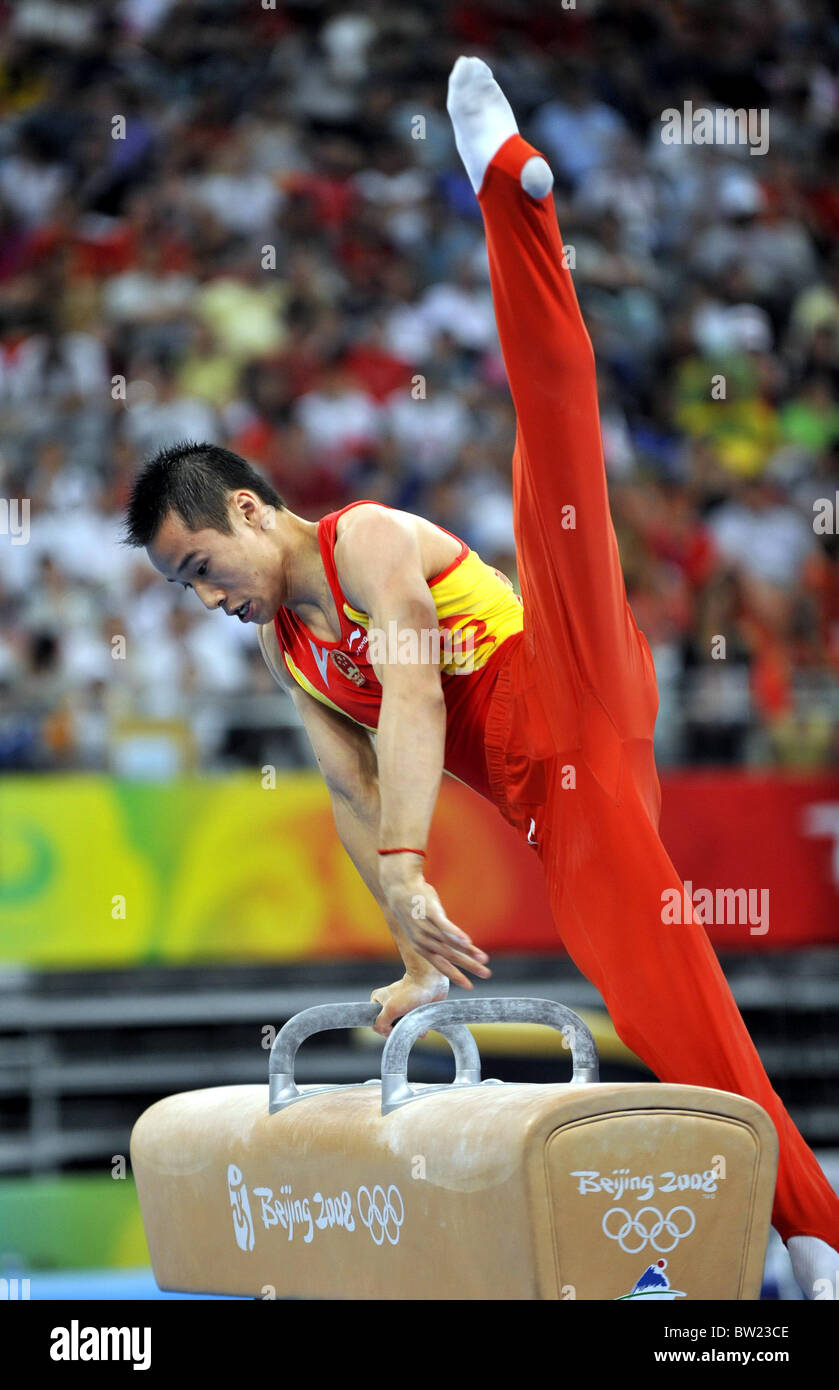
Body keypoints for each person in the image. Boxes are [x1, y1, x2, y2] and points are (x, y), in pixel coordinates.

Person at [124, 58, 839, 1298]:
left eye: (200, 564)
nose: (205, 594)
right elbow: (352, 794)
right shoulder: (284, 645)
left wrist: (409, 864)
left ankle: (510, 190)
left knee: (553, 454)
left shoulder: (364, 541)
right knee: (657, 996)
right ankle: (795, 1225)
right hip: (550, 803)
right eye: (180, 589)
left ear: (248, 508)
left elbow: (410, 694)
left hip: (566, 683)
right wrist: (406, 950)